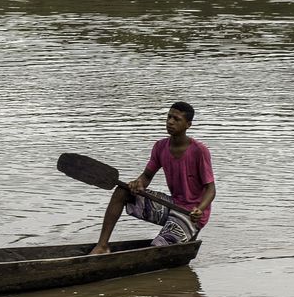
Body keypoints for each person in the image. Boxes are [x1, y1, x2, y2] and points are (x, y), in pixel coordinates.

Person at [88, 102, 215, 255]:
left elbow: (211, 189)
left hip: (191, 214)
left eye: (176, 119)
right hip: (172, 205)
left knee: (157, 248)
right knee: (122, 192)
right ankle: (102, 246)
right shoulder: (160, 147)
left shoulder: (199, 151)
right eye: (169, 117)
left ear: (188, 124)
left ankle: (188, 230)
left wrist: (199, 209)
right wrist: (138, 184)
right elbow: (147, 176)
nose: (170, 122)